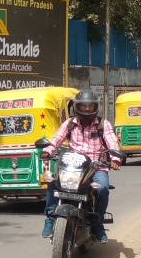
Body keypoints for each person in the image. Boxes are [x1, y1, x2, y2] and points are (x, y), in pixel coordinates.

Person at [41, 89, 122, 243]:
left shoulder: (103, 125)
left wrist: (115, 159)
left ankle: (97, 224)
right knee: (52, 182)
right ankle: (51, 218)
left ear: (95, 107)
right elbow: (56, 139)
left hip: (95, 167)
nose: (86, 109)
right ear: (77, 107)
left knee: (103, 188)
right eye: (83, 106)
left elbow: (112, 143)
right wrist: (47, 151)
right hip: (72, 166)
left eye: (89, 106)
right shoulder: (70, 123)